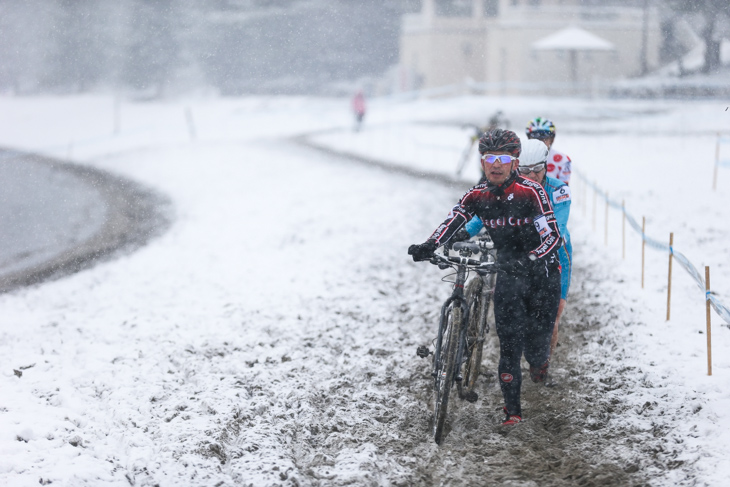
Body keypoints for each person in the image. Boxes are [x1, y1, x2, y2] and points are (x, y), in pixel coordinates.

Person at [408, 129, 562, 426]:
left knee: (536, 348)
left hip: (541, 276)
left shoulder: (532, 192)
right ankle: (513, 412)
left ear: (515, 162)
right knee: (509, 345)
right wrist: (430, 244)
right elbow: (454, 219)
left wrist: (531, 258)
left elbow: (552, 237)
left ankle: (540, 363)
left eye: (503, 158)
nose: (496, 164)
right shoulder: (477, 195)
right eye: (490, 158)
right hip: (507, 274)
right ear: (482, 162)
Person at [461, 139, 572, 369]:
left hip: (555, 253)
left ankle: (540, 363)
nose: (531, 176)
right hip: (517, 250)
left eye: (537, 170)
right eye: (525, 171)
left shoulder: (558, 190)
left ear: (546, 167)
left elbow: (557, 229)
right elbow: (485, 212)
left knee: (551, 317)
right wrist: (464, 232)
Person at [525, 117, 571, 185]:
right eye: (535, 138)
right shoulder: (521, 158)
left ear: (552, 140)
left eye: (544, 138)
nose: (539, 142)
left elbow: (563, 188)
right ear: (529, 138)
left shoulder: (562, 160)